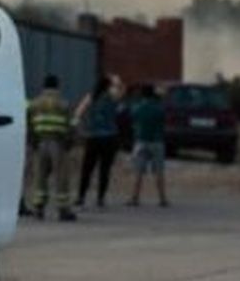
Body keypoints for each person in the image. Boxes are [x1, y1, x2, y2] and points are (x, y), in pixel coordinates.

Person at [26, 74, 77, 221]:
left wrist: (32, 141)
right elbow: (71, 125)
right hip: (58, 144)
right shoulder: (63, 104)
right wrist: (70, 142)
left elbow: (29, 125)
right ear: (57, 86)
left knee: (39, 176)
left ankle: (38, 208)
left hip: (40, 143)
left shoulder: (34, 104)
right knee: (61, 177)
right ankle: (63, 210)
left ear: (43, 86)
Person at [73, 74, 121, 208]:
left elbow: (78, 114)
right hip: (110, 137)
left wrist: (80, 130)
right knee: (104, 169)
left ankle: (81, 196)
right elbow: (120, 91)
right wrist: (116, 81)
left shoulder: (91, 97)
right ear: (109, 85)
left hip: (93, 137)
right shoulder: (112, 96)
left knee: (87, 168)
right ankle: (100, 198)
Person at [126, 84, 169, 207]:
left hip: (141, 140)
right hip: (157, 141)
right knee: (159, 171)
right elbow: (164, 118)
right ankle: (162, 199)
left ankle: (135, 198)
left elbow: (132, 117)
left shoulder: (138, 107)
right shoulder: (159, 108)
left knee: (138, 171)